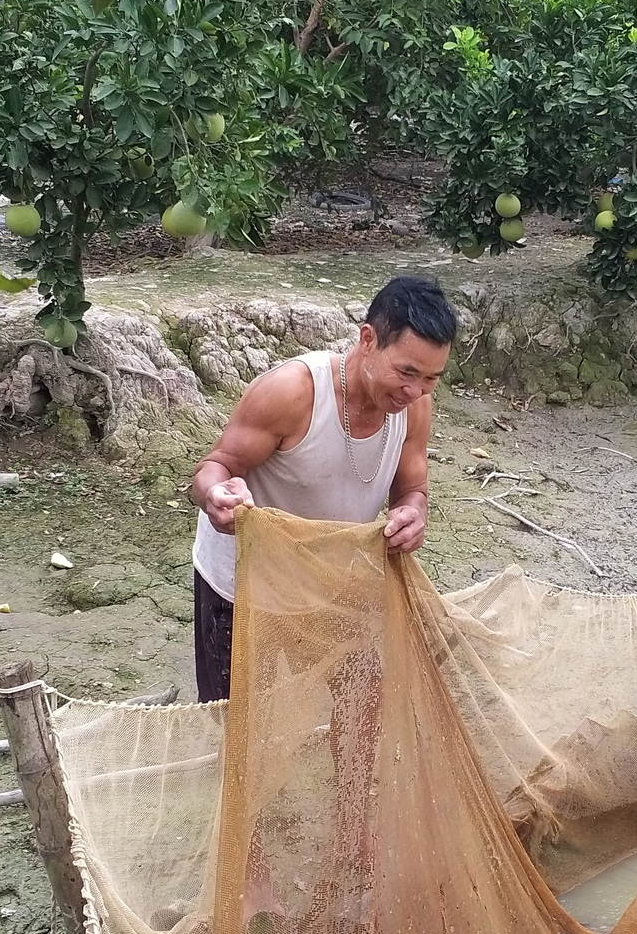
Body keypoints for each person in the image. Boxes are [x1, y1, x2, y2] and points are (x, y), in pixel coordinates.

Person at [188, 275, 458, 701]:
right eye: (406, 371)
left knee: (361, 702)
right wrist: (215, 496)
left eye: (430, 378)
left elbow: (413, 489)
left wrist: (413, 514)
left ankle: (350, 773)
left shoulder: (415, 406)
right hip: (242, 586)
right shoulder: (292, 393)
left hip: (332, 581)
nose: (415, 390)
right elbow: (213, 467)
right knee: (234, 716)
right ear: (367, 339)